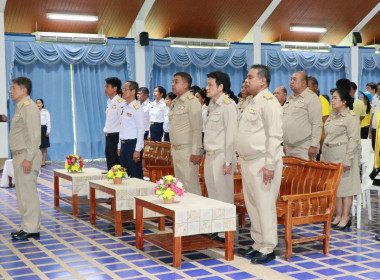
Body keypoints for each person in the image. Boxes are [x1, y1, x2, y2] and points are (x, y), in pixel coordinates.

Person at [236, 65, 283, 264]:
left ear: (262, 81)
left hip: (263, 162)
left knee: (264, 205)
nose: (247, 81)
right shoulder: (251, 102)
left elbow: (275, 136)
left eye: (250, 77)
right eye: (247, 77)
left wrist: (270, 165)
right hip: (248, 162)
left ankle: (268, 246)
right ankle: (258, 242)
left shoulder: (269, 102)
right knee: (253, 205)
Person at [204, 71, 237, 242]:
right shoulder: (213, 104)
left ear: (221, 87)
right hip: (210, 155)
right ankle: (217, 228)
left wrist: (228, 161)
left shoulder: (228, 105)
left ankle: (226, 232)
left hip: (221, 156)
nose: (206, 87)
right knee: (213, 194)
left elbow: (231, 136)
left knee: (224, 195)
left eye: (210, 84)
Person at [322, 87, 360, 231]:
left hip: (344, 155)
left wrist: (348, 159)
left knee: (346, 188)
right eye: (332, 98)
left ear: (344, 101)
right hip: (331, 155)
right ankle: (338, 215)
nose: (332, 101)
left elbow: (353, 139)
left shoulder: (350, 117)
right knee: (336, 188)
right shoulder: (332, 116)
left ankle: (346, 216)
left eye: (335, 98)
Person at [9, 77, 42, 240]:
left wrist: (28, 158)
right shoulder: (21, 107)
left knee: (28, 193)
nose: (11, 91)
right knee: (22, 193)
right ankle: (26, 226)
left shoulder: (29, 108)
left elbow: (35, 136)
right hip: (20, 156)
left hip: (26, 156)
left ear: (24, 90)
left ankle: (32, 228)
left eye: (14, 88)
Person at [169, 72, 203, 195]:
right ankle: (184, 213)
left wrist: (195, 152)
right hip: (177, 150)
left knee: (191, 184)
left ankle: (197, 213)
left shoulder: (192, 101)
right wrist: (172, 151)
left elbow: (197, 129)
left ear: (185, 84)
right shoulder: (175, 102)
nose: (173, 84)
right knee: (180, 185)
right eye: (173, 81)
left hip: (188, 151)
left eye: (176, 82)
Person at [283, 71, 322, 160]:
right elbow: (286, 121)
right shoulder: (290, 98)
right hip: (289, 147)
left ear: (304, 83)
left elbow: (316, 123)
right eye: (291, 79)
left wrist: (314, 145)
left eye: (294, 79)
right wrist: (285, 143)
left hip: (304, 147)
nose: (291, 81)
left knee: (305, 174)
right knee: (291, 174)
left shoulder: (311, 98)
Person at [118, 81, 144, 179]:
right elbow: (122, 128)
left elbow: (141, 130)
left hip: (133, 145)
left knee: (135, 175)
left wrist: (137, 150)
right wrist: (119, 146)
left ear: (133, 92)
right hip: (124, 144)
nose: (123, 91)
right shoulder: (124, 106)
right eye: (123, 89)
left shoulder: (137, 108)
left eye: (126, 89)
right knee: (124, 175)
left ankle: (138, 194)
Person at [103, 77, 123, 171]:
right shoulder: (109, 101)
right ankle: (111, 179)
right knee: (109, 158)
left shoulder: (120, 102)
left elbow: (122, 122)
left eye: (107, 86)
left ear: (115, 89)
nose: (105, 89)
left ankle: (117, 181)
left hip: (116, 136)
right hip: (108, 135)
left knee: (115, 160)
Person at [36, 98, 51, 166]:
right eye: (37, 103)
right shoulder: (34, 112)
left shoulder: (45, 112)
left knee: (44, 146)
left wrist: (48, 130)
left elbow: (48, 121)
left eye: (39, 103)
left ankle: (43, 161)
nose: (38, 104)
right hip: (36, 129)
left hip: (43, 129)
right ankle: (38, 161)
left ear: (42, 104)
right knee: (37, 147)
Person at [367, 82, 379, 149]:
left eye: (368, 88)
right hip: (372, 126)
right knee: (373, 147)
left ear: (374, 89)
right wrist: (370, 131)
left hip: (377, 127)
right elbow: (372, 116)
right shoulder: (368, 99)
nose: (366, 90)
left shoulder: (376, 99)